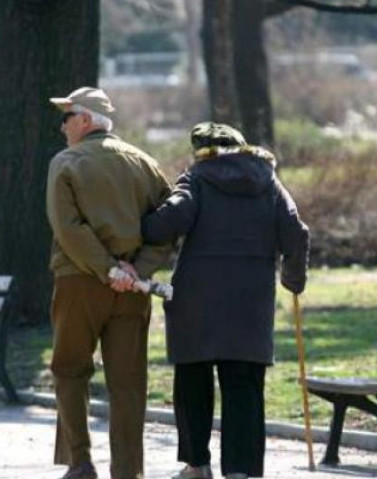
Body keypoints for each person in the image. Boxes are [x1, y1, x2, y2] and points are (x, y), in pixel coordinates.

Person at [141, 122, 309, 479]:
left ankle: (197, 464)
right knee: (244, 387)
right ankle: (241, 470)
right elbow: (296, 232)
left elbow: (172, 219)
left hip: (196, 303)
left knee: (192, 383)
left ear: (200, 149)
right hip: (251, 304)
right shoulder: (269, 182)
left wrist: (144, 225)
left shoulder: (197, 178)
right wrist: (293, 279)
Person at [46, 86, 172, 479]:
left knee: (69, 370)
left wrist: (107, 270)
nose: (62, 126)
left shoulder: (66, 161)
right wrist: (138, 270)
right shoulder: (146, 163)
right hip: (133, 290)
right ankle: (128, 472)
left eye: (66, 118)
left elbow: (68, 228)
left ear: (84, 120)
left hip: (79, 281)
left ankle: (79, 462)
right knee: (129, 383)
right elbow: (166, 226)